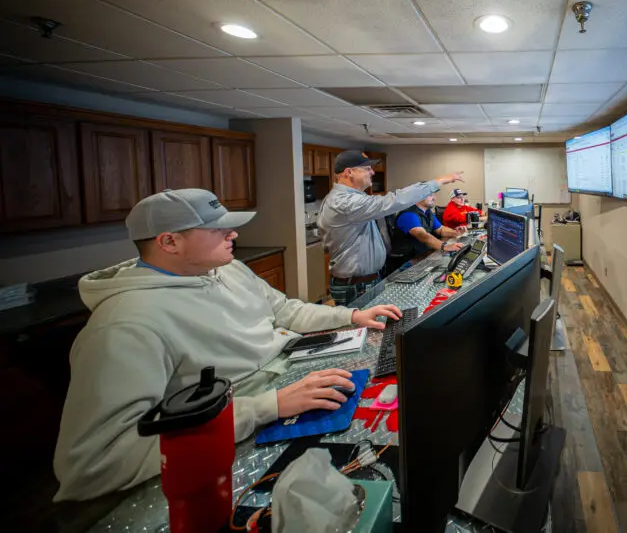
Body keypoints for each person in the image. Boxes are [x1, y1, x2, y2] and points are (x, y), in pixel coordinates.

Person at [52, 189, 402, 501]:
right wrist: (267, 407)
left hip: (288, 379)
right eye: (217, 229)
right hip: (247, 421)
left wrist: (351, 315)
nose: (233, 234)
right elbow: (94, 464)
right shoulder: (124, 324)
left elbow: (285, 310)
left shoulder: (228, 269)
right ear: (169, 242)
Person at [319, 151, 464, 306]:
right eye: (367, 168)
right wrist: (439, 181)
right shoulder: (343, 202)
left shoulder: (353, 199)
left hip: (366, 280)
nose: (372, 172)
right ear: (349, 172)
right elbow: (395, 200)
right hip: (356, 285)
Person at [387, 194, 465, 273]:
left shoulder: (428, 213)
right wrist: (445, 246)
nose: (434, 198)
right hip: (406, 263)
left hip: (422, 256)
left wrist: (456, 233)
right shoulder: (408, 215)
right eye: (430, 195)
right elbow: (423, 236)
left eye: (434, 195)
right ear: (418, 196)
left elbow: (441, 230)